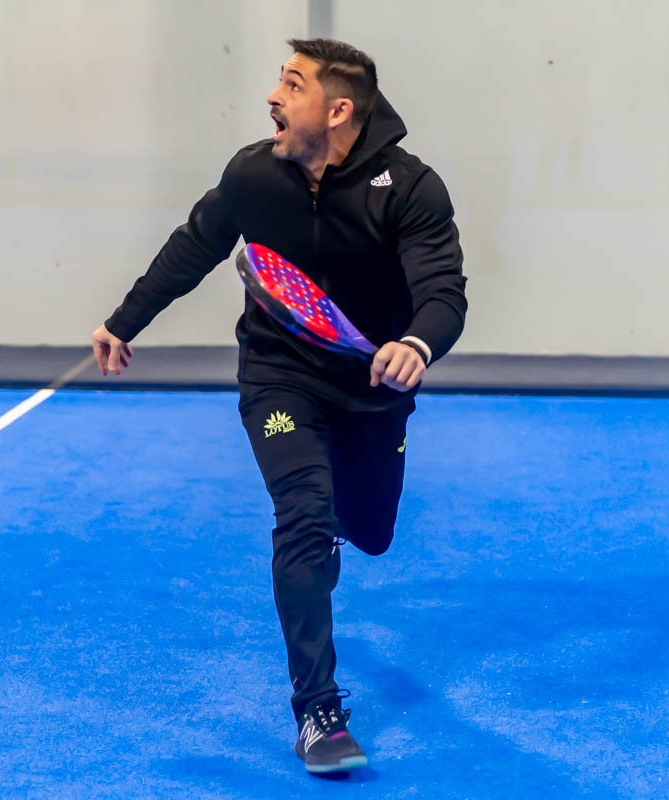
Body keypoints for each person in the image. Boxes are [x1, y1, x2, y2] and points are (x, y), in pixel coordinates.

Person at [91, 37, 467, 774]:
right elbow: (194, 245)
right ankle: (318, 713)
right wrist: (124, 321)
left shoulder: (411, 189)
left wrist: (416, 345)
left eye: (292, 85)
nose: (272, 95)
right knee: (304, 515)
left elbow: (443, 291)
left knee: (370, 531)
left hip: (373, 389)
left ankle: (330, 541)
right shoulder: (254, 174)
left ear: (338, 110)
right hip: (279, 373)